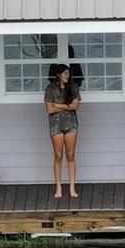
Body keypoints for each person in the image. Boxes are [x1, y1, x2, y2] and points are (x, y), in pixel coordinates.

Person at [44, 63, 82, 198]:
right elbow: (49, 109)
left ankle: (72, 187)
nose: (68, 75)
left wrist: (59, 105)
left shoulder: (73, 87)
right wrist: (67, 106)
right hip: (56, 125)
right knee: (58, 156)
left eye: (68, 73)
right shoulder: (50, 89)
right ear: (59, 75)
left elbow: (75, 106)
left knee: (70, 156)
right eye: (65, 73)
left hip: (71, 124)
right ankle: (58, 188)